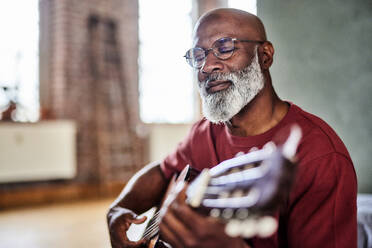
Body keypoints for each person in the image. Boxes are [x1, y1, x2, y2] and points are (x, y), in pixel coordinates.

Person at [107, 8, 357, 248]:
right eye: (198, 55)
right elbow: (163, 172)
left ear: (265, 56)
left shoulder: (321, 158)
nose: (207, 66)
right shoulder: (205, 131)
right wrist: (119, 208)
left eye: (225, 48)